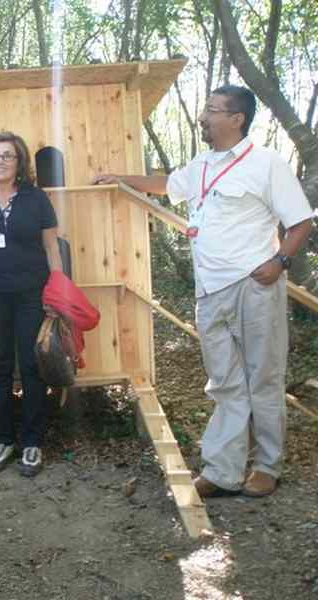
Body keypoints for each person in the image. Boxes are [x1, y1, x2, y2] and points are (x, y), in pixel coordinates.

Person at [93, 85, 314, 498]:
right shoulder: (203, 164)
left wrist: (279, 262)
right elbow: (167, 184)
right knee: (225, 383)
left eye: (213, 110)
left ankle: (267, 465)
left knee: (263, 378)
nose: (203, 116)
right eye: (206, 108)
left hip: (254, 285)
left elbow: (301, 221)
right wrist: (121, 178)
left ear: (237, 119)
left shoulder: (265, 164)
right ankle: (224, 471)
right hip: (209, 291)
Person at [0, 132, 63, 477]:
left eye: (8, 156)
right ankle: (2, 438)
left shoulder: (36, 200)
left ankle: (33, 441)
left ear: (20, 163)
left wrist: (56, 292)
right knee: (0, 366)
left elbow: (53, 249)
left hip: (31, 296)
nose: (0, 161)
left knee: (33, 365)